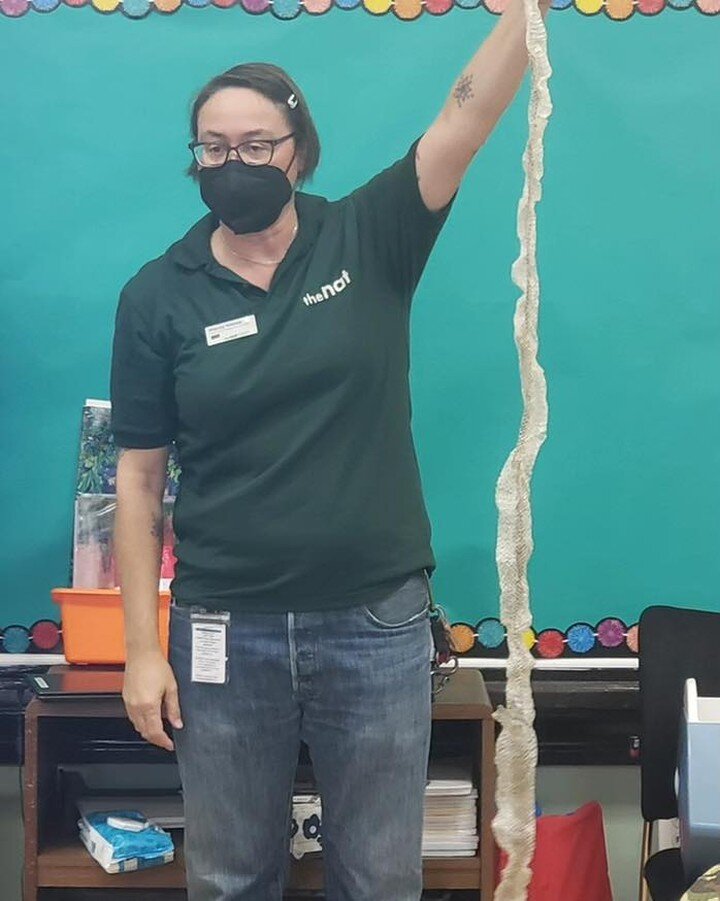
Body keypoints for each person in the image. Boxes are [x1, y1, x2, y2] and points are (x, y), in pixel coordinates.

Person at [111, 2, 549, 898]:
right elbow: (140, 479)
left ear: (299, 150)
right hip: (222, 630)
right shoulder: (157, 295)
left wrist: (529, 13)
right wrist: (141, 650)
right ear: (196, 161)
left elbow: (465, 116)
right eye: (214, 148)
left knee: (380, 878)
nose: (235, 163)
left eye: (256, 144)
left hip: (374, 625)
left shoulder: (370, 234)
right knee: (231, 878)